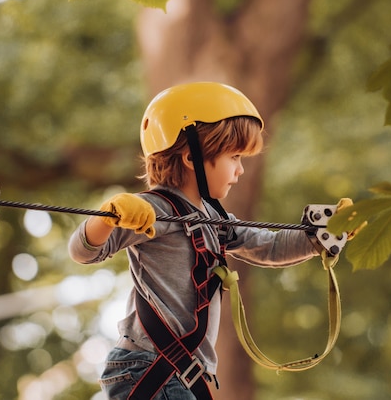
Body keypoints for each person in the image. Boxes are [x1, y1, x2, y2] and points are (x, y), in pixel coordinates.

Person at [68, 82, 357, 400]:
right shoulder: (154, 211)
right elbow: (82, 252)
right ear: (192, 157)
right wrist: (109, 216)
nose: (241, 170)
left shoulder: (215, 221)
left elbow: (270, 247)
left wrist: (326, 232)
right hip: (149, 368)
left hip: (181, 375)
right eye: (234, 157)